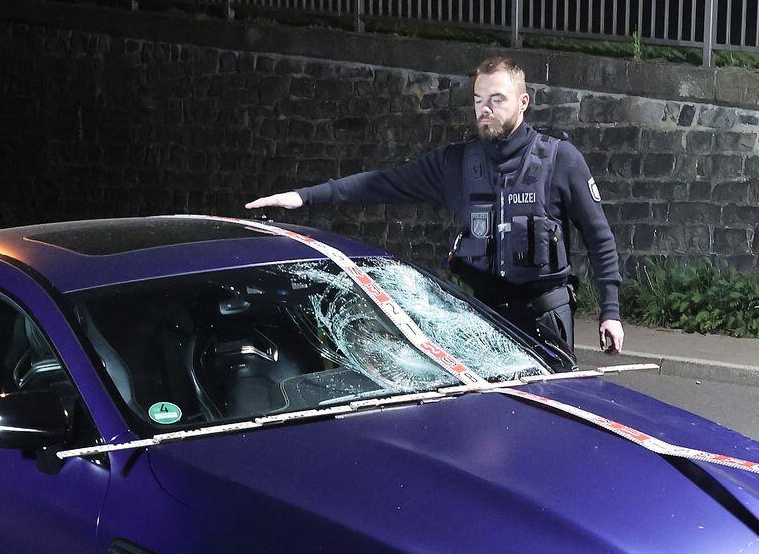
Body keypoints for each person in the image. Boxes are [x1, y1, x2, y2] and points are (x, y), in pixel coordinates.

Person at [246, 56, 624, 356]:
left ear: (523, 102)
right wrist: (306, 196)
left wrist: (610, 311)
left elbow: (598, 237)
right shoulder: (456, 164)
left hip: (545, 320)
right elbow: (382, 183)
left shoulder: (560, 160)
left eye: (497, 99)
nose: (485, 109)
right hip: (483, 322)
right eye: (478, 100)